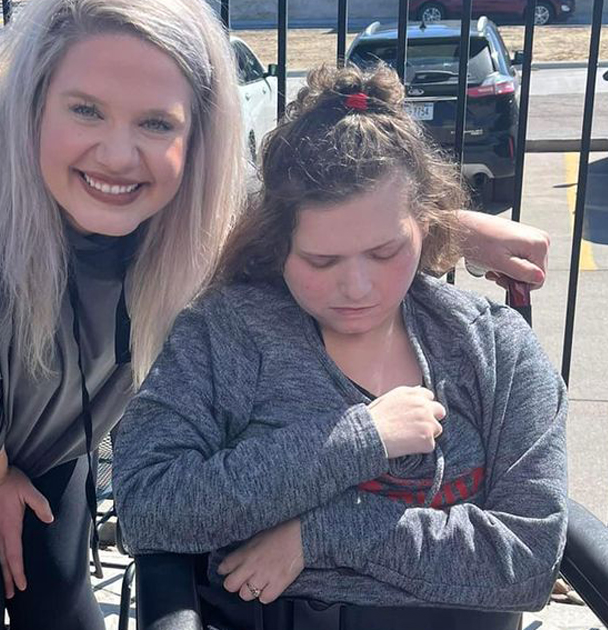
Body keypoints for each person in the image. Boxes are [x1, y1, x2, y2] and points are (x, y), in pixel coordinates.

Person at [0, 0, 555, 625]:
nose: (120, 155)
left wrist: (449, 228)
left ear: (196, 133)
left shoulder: (479, 339)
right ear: (34, 99)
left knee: (53, 592)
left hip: (48, 379)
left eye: (156, 123)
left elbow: (284, 218)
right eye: (86, 109)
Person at [112, 63, 568, 630]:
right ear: (279, 244)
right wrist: (362, 439)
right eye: (320, 260)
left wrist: (323, 533)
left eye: (384, 253)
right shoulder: (227, 333)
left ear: (427, 226)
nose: (357, 288)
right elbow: (148, 506)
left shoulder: (496, 348)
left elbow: (526, 564)